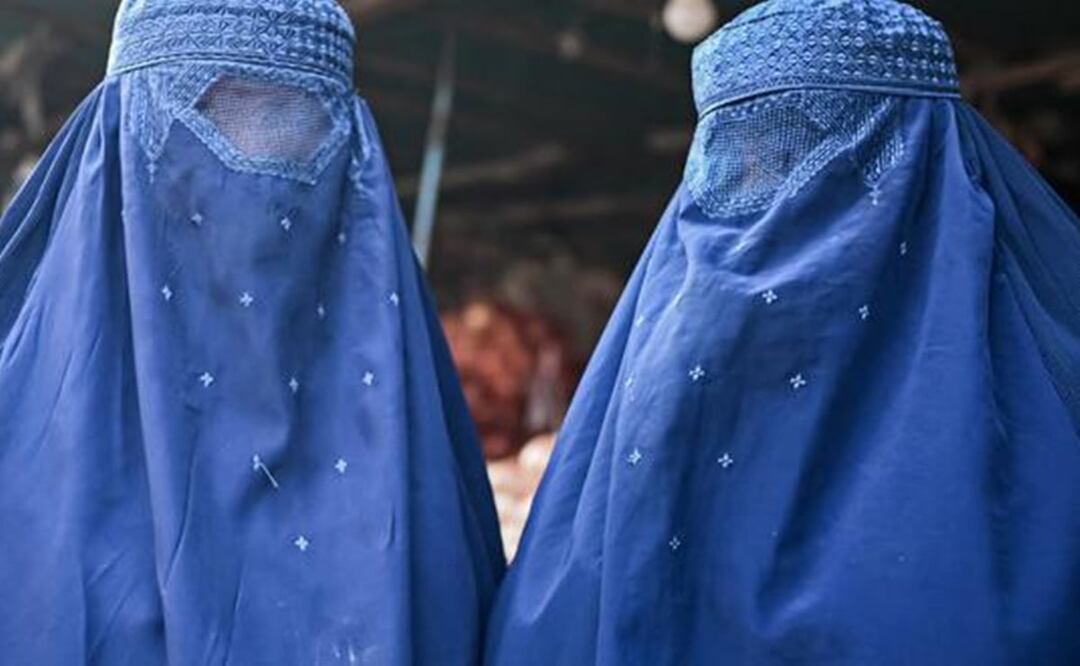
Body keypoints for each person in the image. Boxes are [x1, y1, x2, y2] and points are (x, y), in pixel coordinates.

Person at [486, 1, 1080, 663]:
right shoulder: (679, 358)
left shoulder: (1038, 373)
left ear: (926, 157)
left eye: (822, 162)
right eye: (743, 170)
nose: (777, 207)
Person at [0, 1, 504, 663]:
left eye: (296, 137)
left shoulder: (417, 450)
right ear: (122, 142)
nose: (259, 188)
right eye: (209, 126)